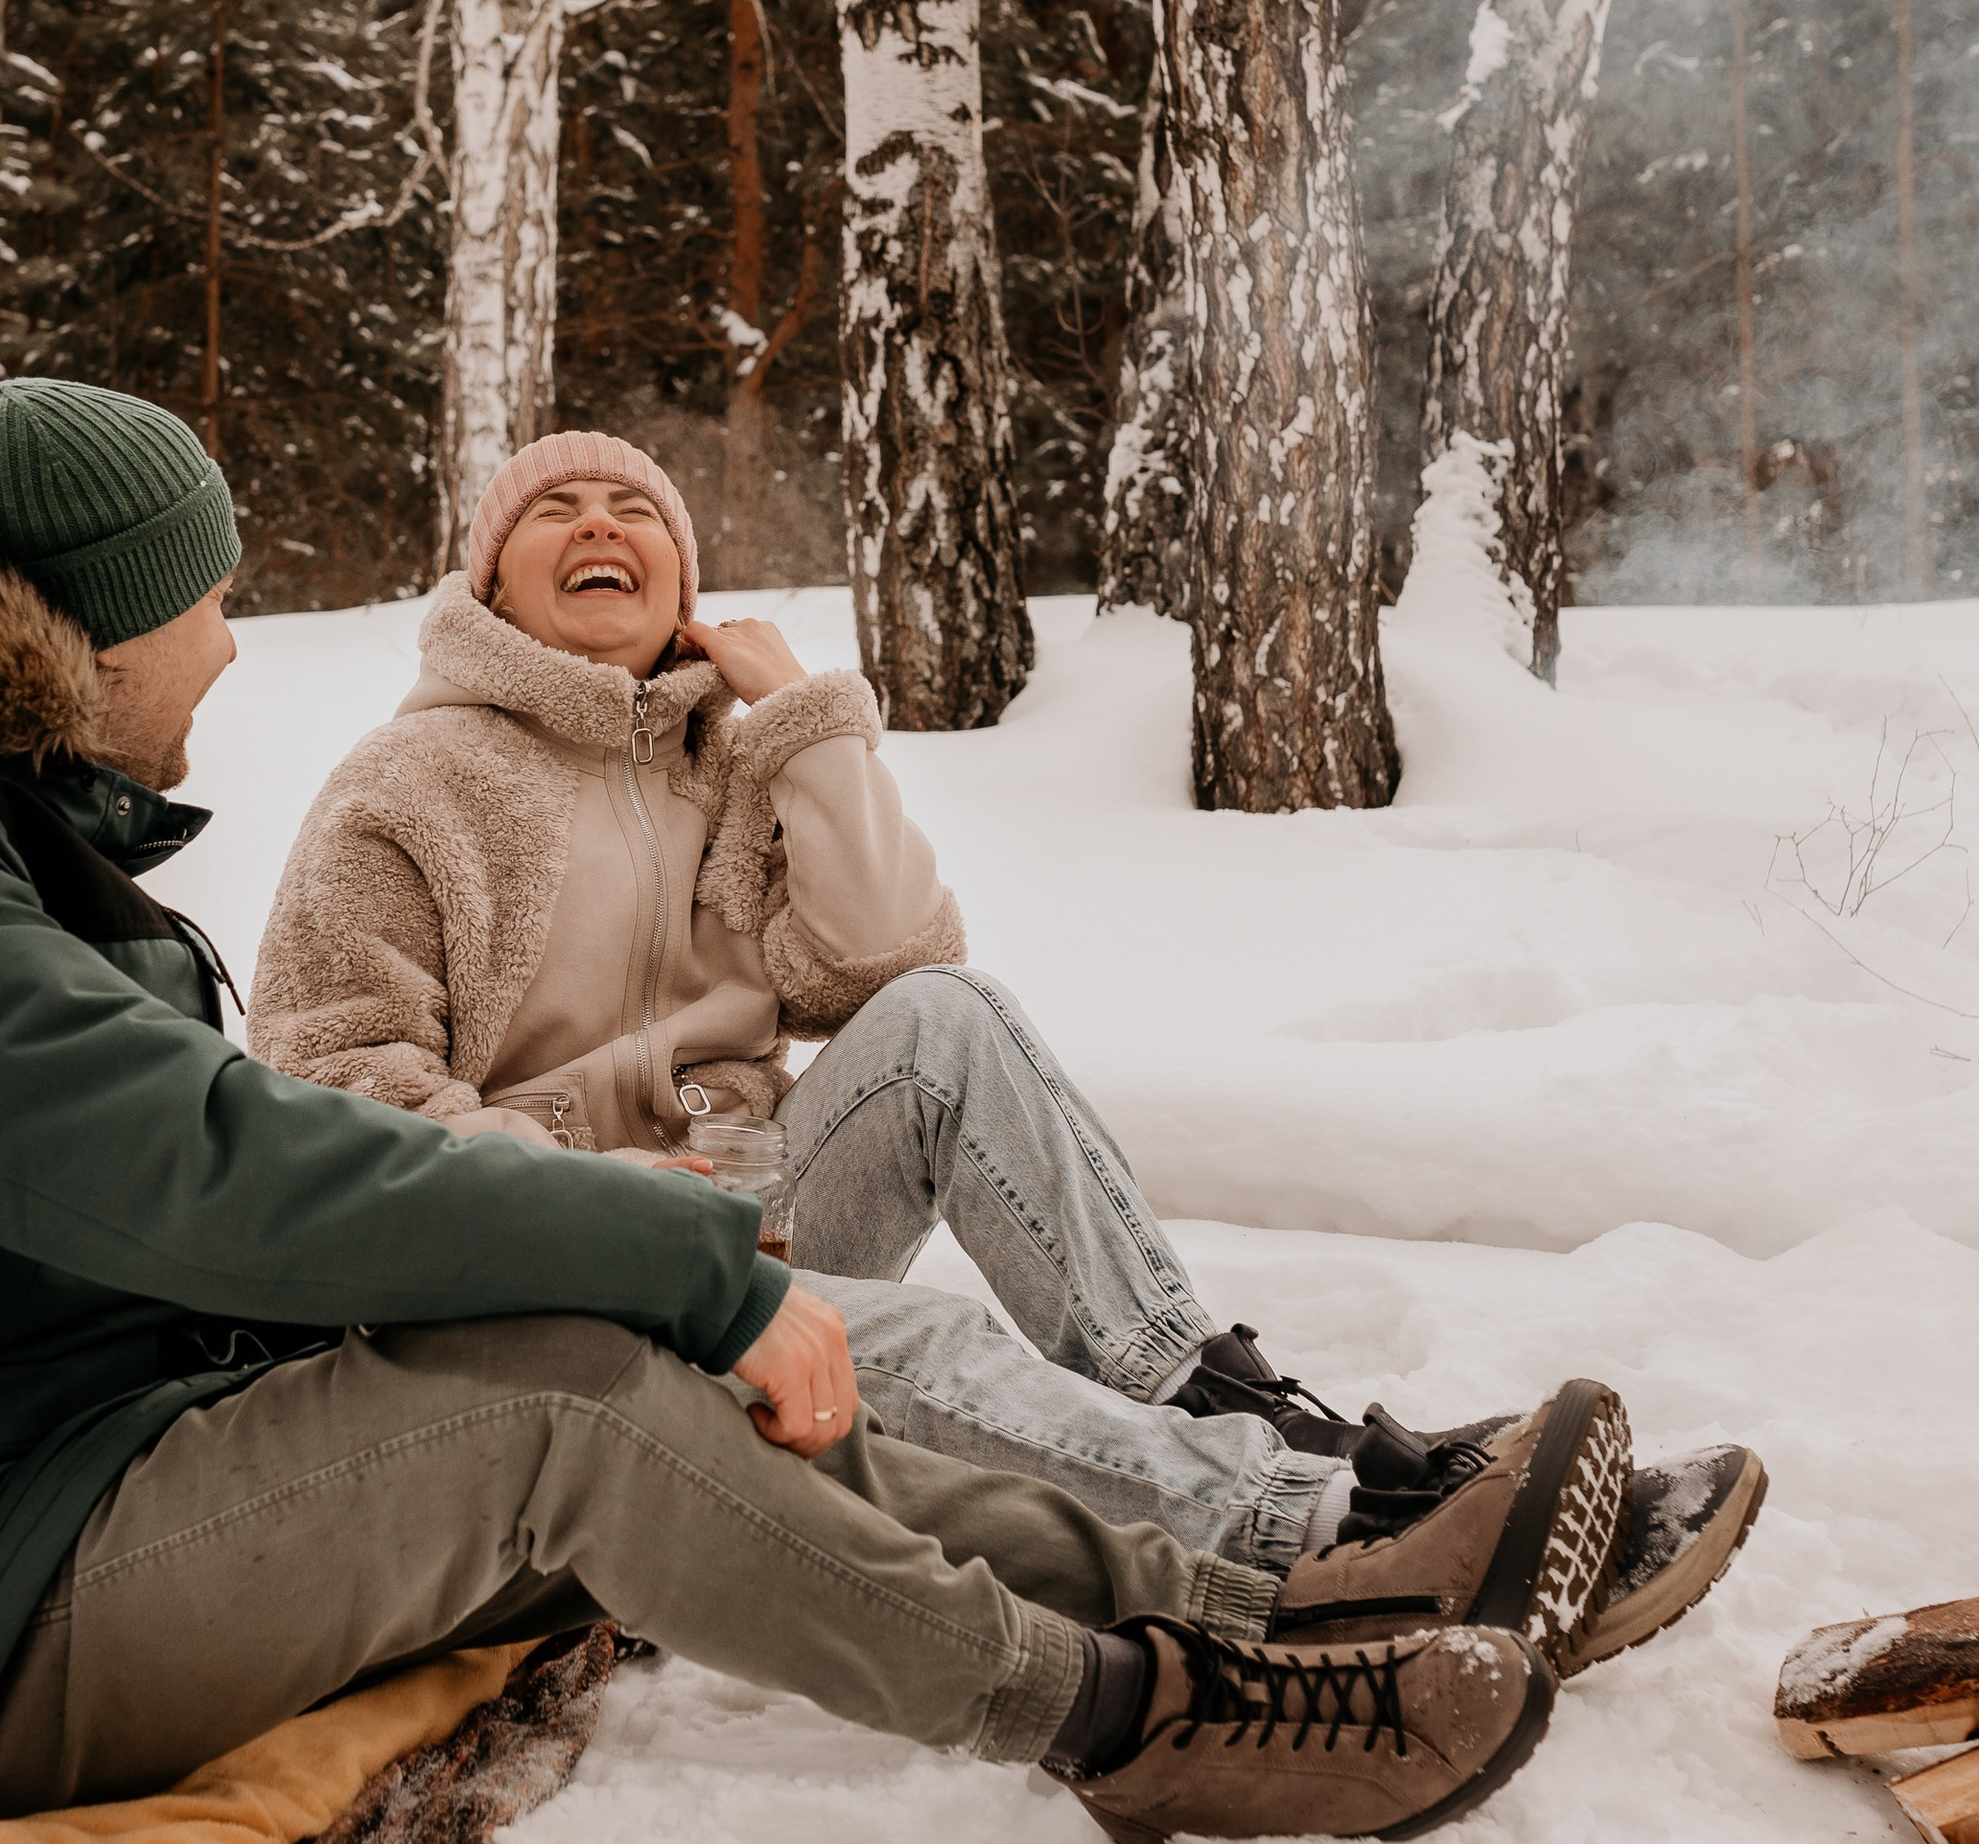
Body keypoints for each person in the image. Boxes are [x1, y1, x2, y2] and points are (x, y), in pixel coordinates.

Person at [0, 382, 1600, 1844]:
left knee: (655, 1374)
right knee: (577, 1399)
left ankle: (1271, 1598)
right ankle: (1147, 1723)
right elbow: (210, 1163)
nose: (224, 647)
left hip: (54, 1472)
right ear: (78, 634)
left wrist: (651, 1274)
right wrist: (661, 1254)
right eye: (202, 605)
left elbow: (896, 966)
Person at [251, 430, 1765, 1662]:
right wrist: (581, 1191)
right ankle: (1329, 1541)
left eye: (637, 506)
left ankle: (1240, 1415)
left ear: (685, 580)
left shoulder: (730, 753)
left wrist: (812, 730)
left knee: (944, 1024)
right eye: (558, 509)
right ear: (493, 585)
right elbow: (331, 1089)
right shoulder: (411, 784)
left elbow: (891, 963)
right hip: (556, 1271)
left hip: (748, 1202)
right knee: (913, 1339)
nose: (604, 523)